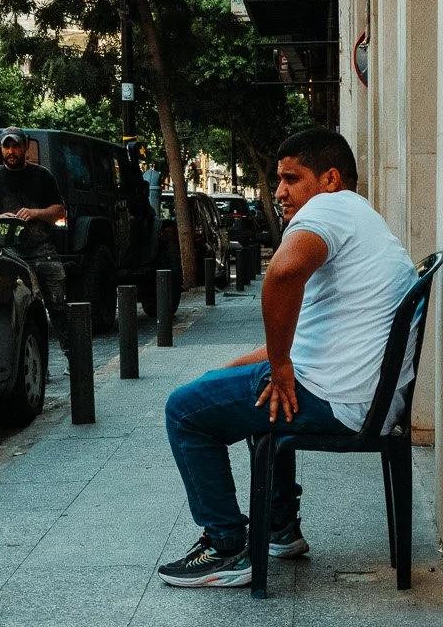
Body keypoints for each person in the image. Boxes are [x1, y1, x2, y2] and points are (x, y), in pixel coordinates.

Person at [158, 128, 416, 588]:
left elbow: (280, 274)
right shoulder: (361, 218)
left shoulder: (328, 208)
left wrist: (278, 370)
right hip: (363, 397)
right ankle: (278, 528)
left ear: (330, 178)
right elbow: (300, 341)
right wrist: (236, 369)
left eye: (291, 179)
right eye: (278, 181)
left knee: (183, 411)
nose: (279, 192)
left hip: (338, 400)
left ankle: (226, 547)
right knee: (220, 387)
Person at [0, 127, 66, 256]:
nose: (11, 151)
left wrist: (35, 213)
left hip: (42, 251)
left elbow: (59, 211)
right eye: (6, 146)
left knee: (56, 275)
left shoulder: (43, 175)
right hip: (4, 251)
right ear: (1, 148)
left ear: (26, 146)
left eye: (16, 146)